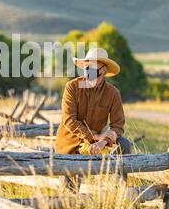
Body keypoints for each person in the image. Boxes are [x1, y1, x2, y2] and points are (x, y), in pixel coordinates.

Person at [54, 47, 132, 191]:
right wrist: (94, 136)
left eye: (91, 66)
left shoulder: (113, 93)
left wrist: (103, 141)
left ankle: (118, 192)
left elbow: (118, 126)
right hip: (71, 143)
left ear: (102, 70)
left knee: (124, 144)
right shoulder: (72, 87)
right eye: (86, 66)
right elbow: (69, 120)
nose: (87, 69)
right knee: (68, 196)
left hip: (99, 143)